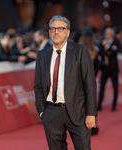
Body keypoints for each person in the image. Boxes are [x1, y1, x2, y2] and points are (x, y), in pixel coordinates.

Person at [34, 15, 97, 150]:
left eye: (60, 29)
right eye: (52, 29)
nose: (56, 32)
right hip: (51, 112)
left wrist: (91, 113)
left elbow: (90, 84)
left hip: (78, 111)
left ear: (67, 32)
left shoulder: (80, 51)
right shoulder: (42, 55)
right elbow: (38, 85)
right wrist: (41, 111)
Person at [97, 27, 122, 111]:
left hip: (114, 68)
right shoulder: (102, 42)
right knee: (102, 86)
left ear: (112, 34)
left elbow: (117, 51)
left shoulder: (116, 41)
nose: (107, 35)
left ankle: (114, 105)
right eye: (106, 33)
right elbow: (100, 52)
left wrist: (108, 49)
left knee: (115, 87)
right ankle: (99, 104)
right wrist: (109, 50)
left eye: (109, 33)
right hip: (104, 68)